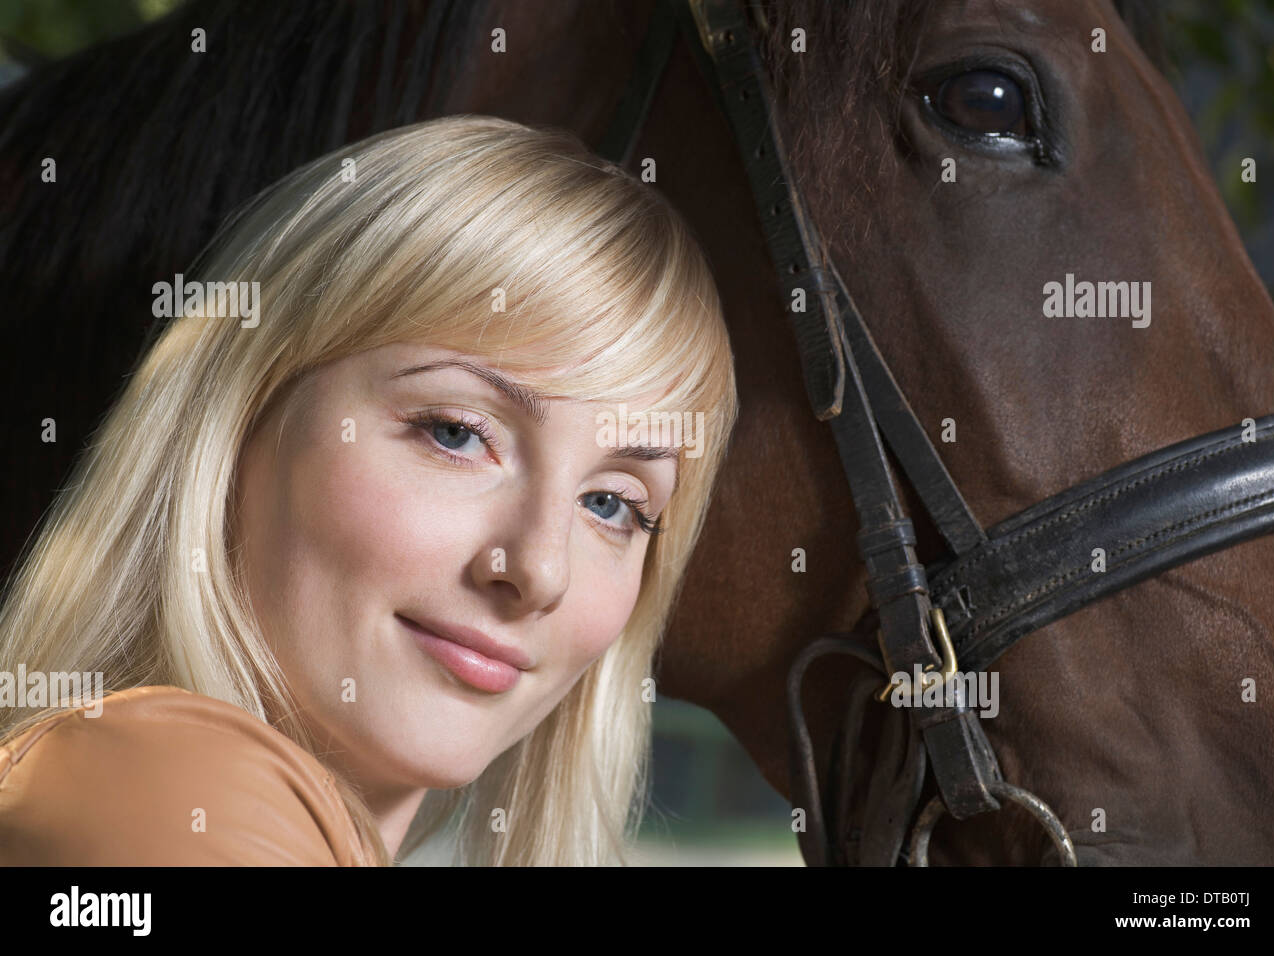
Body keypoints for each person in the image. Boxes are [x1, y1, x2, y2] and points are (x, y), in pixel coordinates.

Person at [0, 115, 737, 866]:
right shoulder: (166, 793)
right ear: (242, 417)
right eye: (455, 432)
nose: (540, 570)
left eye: (610, 503)